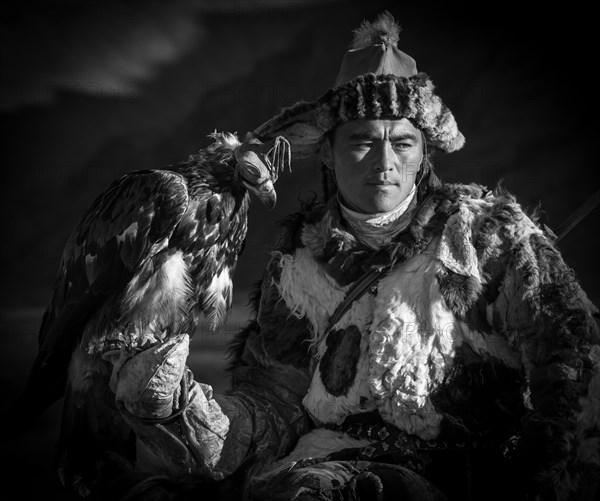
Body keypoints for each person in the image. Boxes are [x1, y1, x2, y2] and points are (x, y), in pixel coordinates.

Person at [85, 12, 600, 501]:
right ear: (327, 151)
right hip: (321, 470)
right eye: (361, 143)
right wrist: (180, 408)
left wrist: (535, 480)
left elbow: (577, 369)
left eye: (402, 142)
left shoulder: (490, 237)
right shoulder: (295, 272)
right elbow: (272, 410)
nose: (384, 163)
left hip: (470, 475)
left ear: (425, 153)